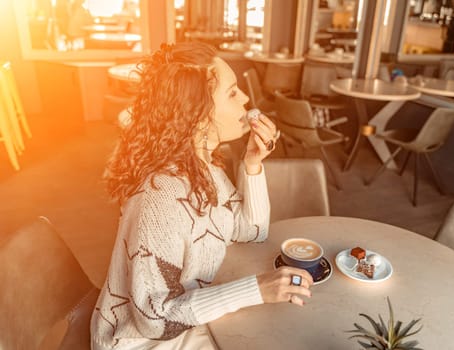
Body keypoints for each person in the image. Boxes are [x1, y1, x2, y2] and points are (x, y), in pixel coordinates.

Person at [90, 42, 314, 349]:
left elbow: (252, 231)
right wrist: (257, 290)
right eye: (232, 93)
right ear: (197, 115)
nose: (246, 99)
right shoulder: (159, 198)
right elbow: (154, 320)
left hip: (184, 317)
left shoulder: (203, 166)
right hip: (144, 342)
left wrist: (252, 164)